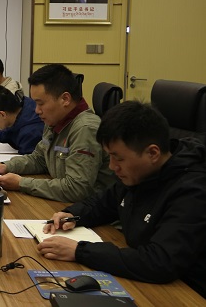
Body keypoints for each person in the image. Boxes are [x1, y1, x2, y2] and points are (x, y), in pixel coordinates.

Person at [37, 101, 206, 298]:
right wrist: (71, 214)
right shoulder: (140, 173)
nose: (112, 166)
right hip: (146, 279)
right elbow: (103, 203)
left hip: (186, 293)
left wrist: (79, 251)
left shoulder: (193, 190)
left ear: (152, 153)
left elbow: (160, 261)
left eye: (119, 158)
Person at [0, 64, 114, 202]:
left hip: (90, 210)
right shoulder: (54, 120)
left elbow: (76, 188)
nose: (36, 110)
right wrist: (6, 166)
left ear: (65, 99)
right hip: (64, 203)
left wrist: (21, 183)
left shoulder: (85, 129)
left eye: (41, 103)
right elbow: (39, 159)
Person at [0, 85, 44, 155]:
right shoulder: (20, 112)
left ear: (2, 114)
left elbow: (27, 160)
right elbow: (9, 133)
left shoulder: (30, 133)